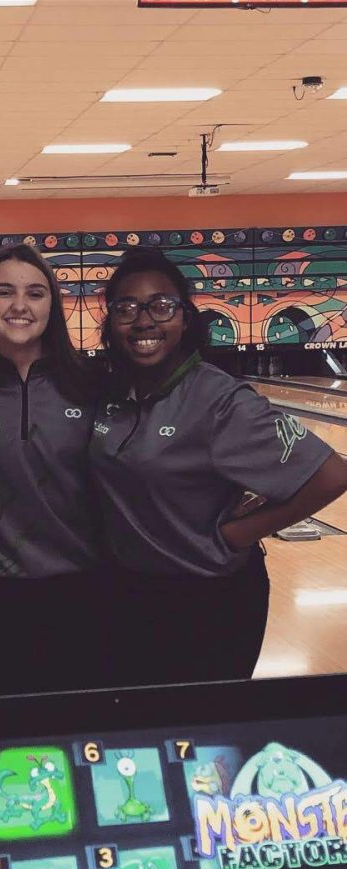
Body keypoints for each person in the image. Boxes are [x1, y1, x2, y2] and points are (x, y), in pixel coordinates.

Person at [89, 248, 347, 687]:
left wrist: (239, 533)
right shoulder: (114, 393)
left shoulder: (221, 401)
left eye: (161, 305)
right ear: (111, 321)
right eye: (126, 308)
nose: (144, 320)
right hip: (129, 592)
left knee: (200, 734)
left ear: (185, 318)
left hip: (207, 600)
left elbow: (332, 474)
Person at [0, 243, 108, 698]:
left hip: (85, 591)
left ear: (51, 305)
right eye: (4, 292)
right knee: (10, 734)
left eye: (35, 293)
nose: (20, 305)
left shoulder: (90, 383)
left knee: (81, 738)